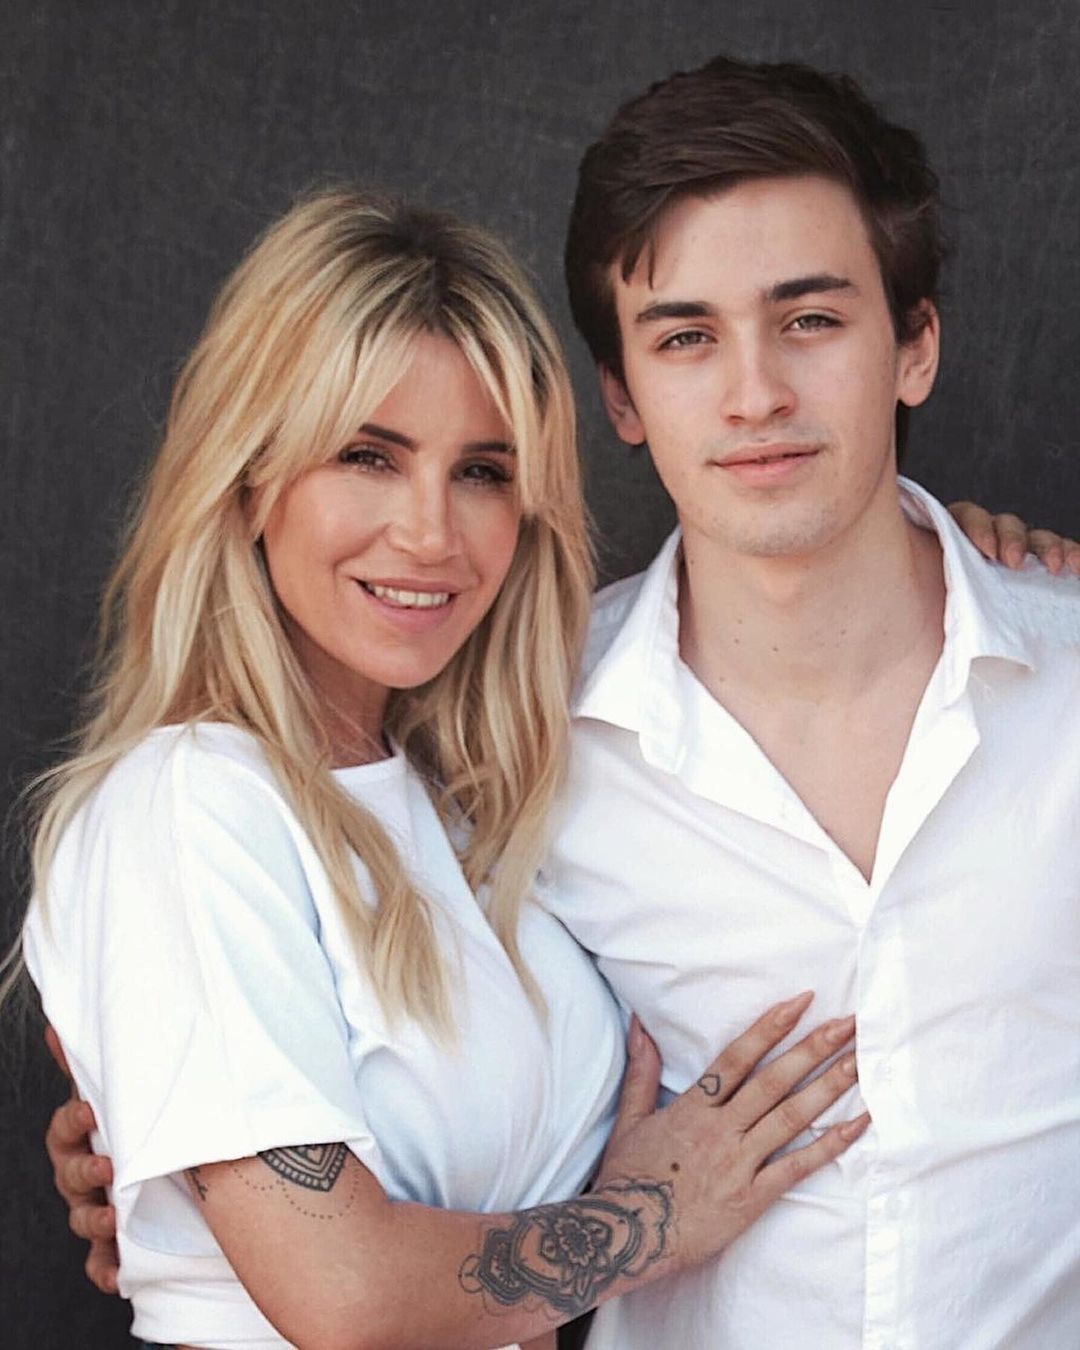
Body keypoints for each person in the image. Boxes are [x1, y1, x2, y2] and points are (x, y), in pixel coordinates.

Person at [8, 187, 876, 1350]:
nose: (430, 533)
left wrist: (950, 556)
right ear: (251, 475)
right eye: (368, 455)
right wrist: (658, 1217)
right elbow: (347, 1293)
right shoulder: (190, 801)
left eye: (481, 471)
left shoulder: (465, 809)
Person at [541, 54, 1080, 1347]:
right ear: (620, 395)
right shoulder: (518, 739)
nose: (756, 395)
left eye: (812, 319)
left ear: (915, 346)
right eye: (685, 338)